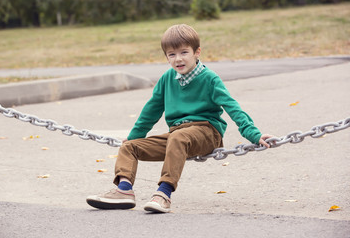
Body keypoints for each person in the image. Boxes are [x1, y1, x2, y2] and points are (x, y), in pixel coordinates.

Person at [86, 24, 272, 213]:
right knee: (129, 147)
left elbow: (233, 108)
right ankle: (124, 191)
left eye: (184, 52)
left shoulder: (210, 79)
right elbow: (151, 111)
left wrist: (253, 134)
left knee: (178, 137)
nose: (178, 59)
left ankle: (164, 194)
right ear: (166, 57)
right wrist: (135, 135)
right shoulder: (167, 79)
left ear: (197, 52)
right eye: (172, 54)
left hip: (207, 132)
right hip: (177, 135)